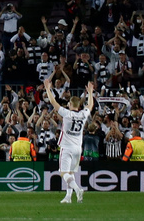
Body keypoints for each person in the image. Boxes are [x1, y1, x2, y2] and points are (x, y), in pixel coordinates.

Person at [43, 76, 94, 204]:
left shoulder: (67, 113)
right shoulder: (83, 114)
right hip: (78, 148)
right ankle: (68, 197)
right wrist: (90, 93)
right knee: (70, 173)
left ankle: (78, 190)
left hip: (66, 147)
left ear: (71, 104)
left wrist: (48, 89)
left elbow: (53, 103)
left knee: (63, 173)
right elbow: (90, 105)